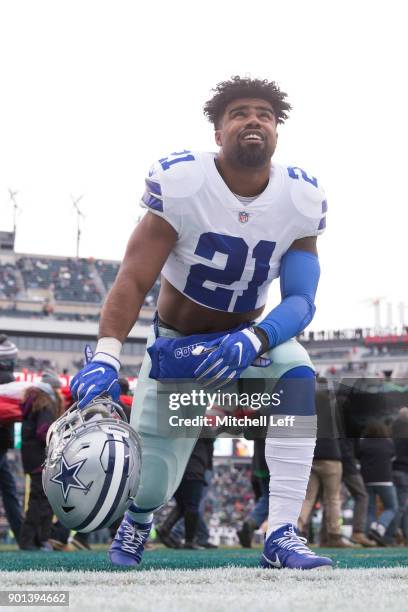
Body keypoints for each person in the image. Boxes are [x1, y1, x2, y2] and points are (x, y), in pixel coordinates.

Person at [69, 76, 332, 570]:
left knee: (298, 376)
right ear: (217, 132)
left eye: (264, 114)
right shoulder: (184, 183)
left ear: (277, 131)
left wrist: (256, 337)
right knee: (152, 484)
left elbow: (302, 299)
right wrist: (106, 353)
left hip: (247, 341)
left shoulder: (299, 196)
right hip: (180, 344)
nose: (254, 120)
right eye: (239, 113)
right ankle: (140, 521)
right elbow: (132, 278)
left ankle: (281, 532)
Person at [358, 421, 398, 545]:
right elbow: (393, 458)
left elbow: (357, 457)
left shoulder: (362, 442)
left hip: (366, 480)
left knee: (370, 509)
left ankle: (367, 537)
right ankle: (379, 528)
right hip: (385, 480)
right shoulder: (388, 442)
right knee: (392, 507)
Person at [0, 335, 23, 546]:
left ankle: (23, 536)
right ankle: (23, 538)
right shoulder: (7, 378)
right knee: (10, 492)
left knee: (9, 490)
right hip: (1, 440)